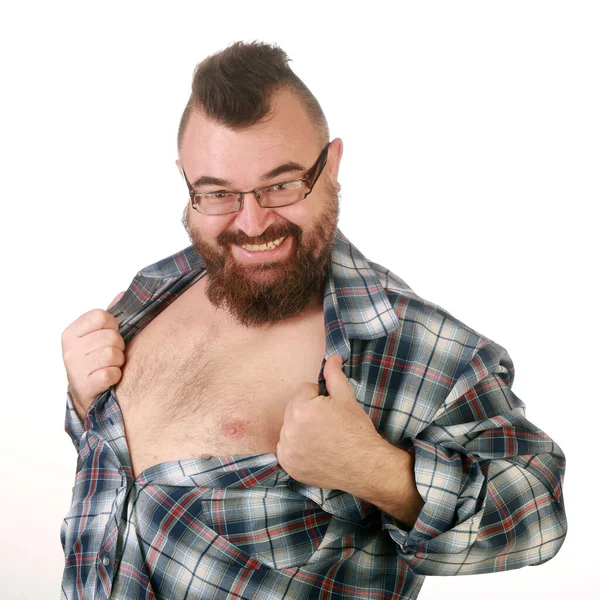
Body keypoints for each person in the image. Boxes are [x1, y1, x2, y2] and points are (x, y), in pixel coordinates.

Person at [59, 41, 567, 600]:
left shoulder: (413, 346)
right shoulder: (151, 291)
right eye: (218, 193)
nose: (251, 223)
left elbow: (537, 516)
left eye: (282, 184)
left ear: (334, 164)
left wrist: (381, 473)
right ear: (187, 182)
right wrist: (89, 405)